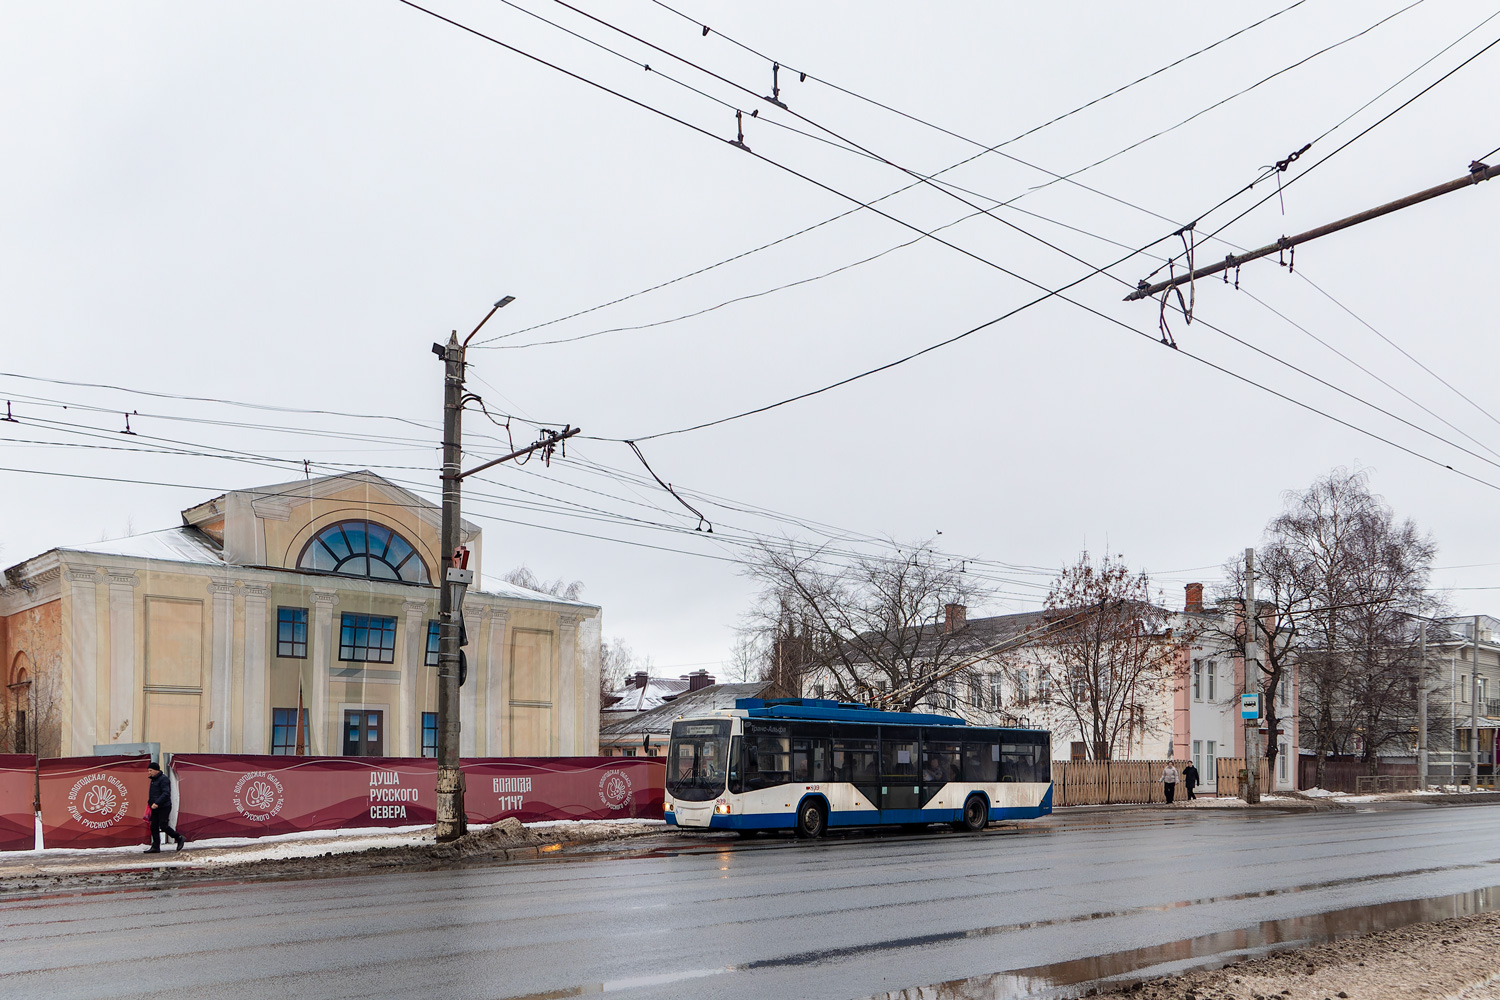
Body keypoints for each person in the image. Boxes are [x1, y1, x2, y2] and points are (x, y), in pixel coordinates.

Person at [145, 761, 185, 853]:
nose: (149, 772)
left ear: (156, 770)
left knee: (163, 825)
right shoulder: (153, 780)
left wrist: (157, 803)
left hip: (163, 807)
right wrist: (150, 803)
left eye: (150, 770)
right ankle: (155, 847)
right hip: (154, 807)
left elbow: (166, 793)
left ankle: (179, 838)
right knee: (153, 826)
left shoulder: (164, 779)